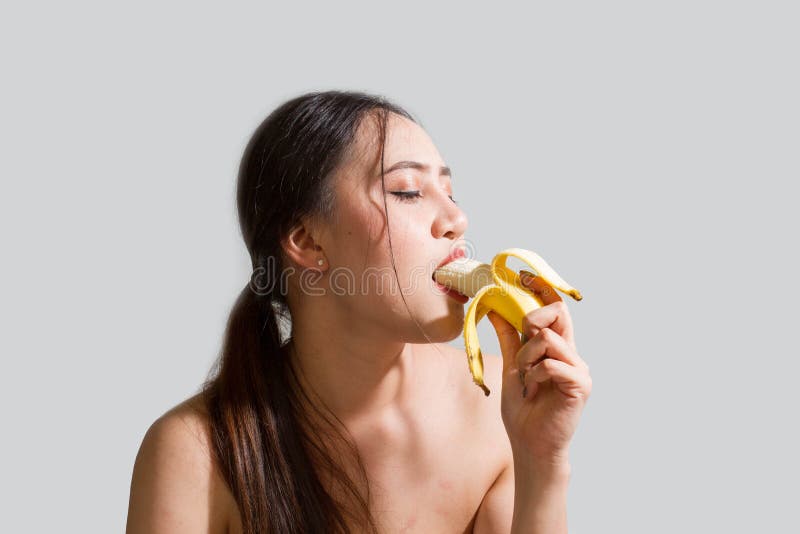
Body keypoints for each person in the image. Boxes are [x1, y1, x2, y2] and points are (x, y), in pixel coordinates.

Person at [125, 90, 592, 534]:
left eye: (450, 192)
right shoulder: (193, 453)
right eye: (407, 191)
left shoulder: (501, 405)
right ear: (307, 241)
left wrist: (542, 466)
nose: (456, 220)